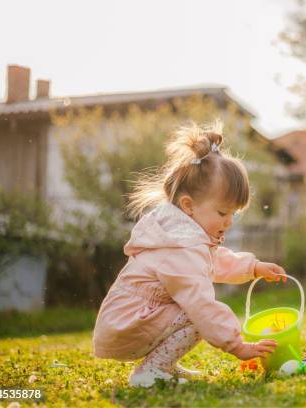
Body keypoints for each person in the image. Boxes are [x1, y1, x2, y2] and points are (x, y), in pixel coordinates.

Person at [93, 120, 287, 387]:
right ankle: (151, 372)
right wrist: (236, 345)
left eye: (233, 213)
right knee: (198, 312)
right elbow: (200, 303)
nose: (228, 222)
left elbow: (213, 261)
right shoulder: (180, 247)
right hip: (129, 325)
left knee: (195, 310)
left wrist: (252, 267)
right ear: (188, 206)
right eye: (222, 212)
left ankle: (163, 365)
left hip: (129, 320)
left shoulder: (183, 235)